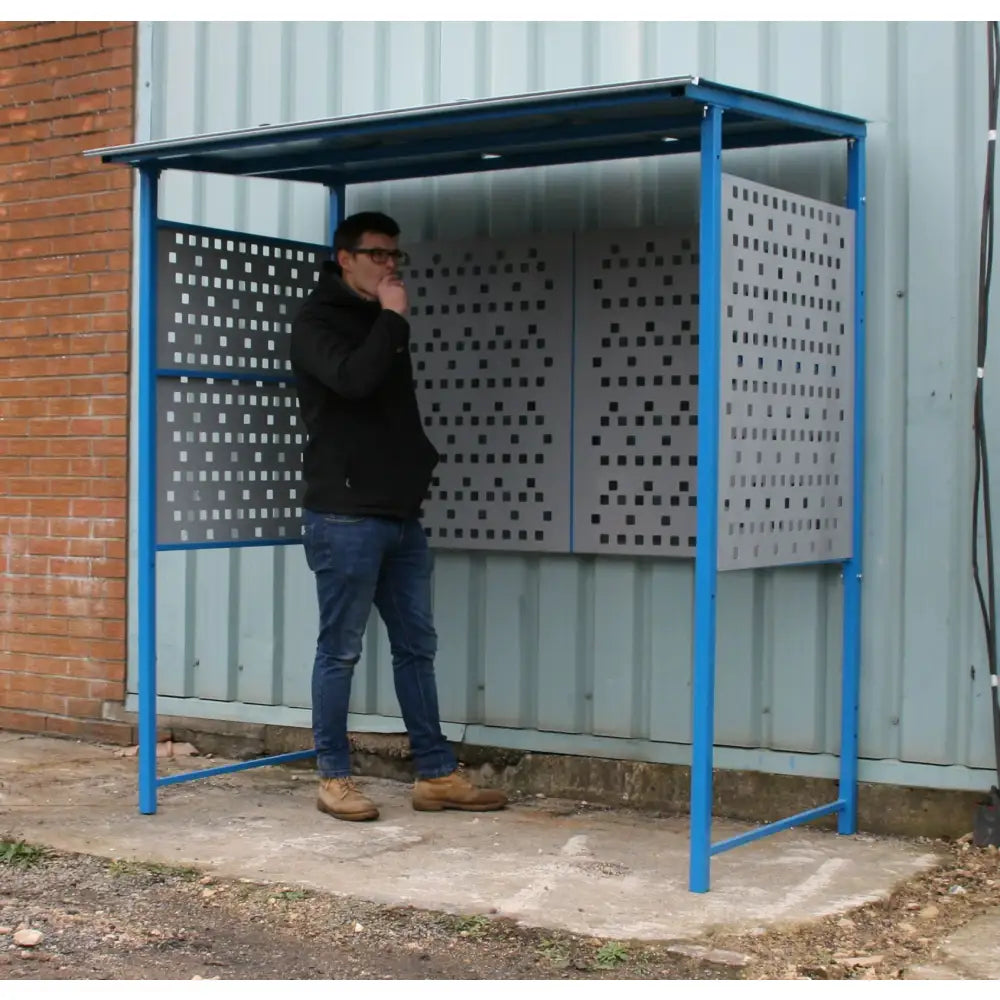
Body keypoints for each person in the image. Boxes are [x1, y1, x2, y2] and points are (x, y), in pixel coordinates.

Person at [290, 211, 507, 822]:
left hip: (400, 514)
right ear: (345, 258)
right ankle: (333, 776)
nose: (389, 265)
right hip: (344, 515)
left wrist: (420, 462)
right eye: (377, 254)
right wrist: (390, 319)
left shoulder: (381, 321)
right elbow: (353, 383)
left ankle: (435, 774)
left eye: (394, 256)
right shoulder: (317, 322)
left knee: (417, 646)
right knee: (341, 650)